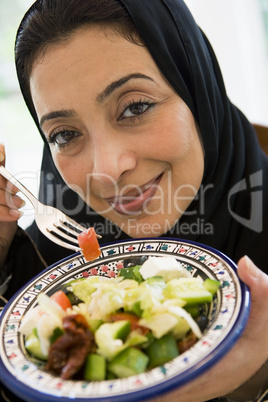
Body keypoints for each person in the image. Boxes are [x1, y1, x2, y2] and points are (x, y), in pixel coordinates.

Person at [0, 0, 267, 400]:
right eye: (65, 134)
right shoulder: (44, 277)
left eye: (135, 107)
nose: (107, 169)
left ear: (196, 90)